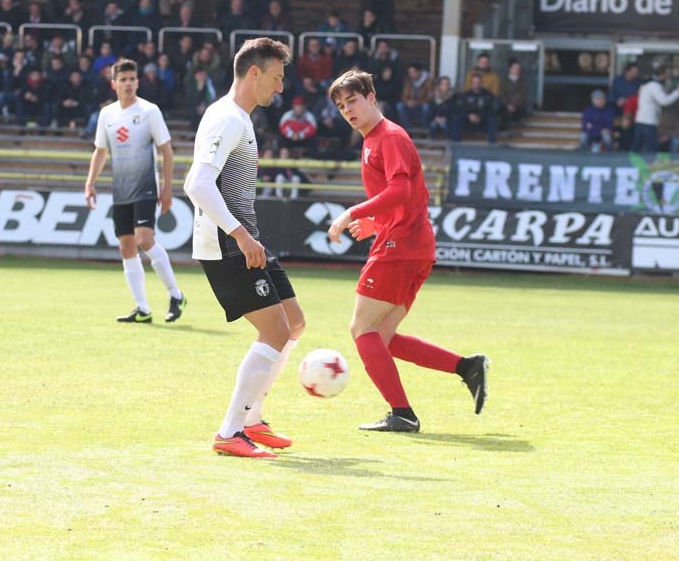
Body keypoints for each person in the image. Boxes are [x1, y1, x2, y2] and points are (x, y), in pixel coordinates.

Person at [325, 70, 488, 433]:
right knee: (382, 338)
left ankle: (402, 414)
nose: (347, 110)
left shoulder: (389, 137)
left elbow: (400, 191)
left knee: (361, 329)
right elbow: (404, 197)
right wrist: (376, 223)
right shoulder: (373, 140)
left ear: (372, 97)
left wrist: (354, 212)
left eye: (352, 101)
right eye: (340, 106)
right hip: (411, 245)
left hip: (400, 247)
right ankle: (467, 367)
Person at [183, 37, 305, 458]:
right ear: (254, 73)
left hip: (244, 240)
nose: (280, 88)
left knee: (293, 323)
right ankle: (230, 431)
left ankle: (252, 419)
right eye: (276, 78)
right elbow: (196, 184)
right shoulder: (228, 119)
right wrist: (240, 234)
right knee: (275, 331)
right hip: (227, 244)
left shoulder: (238, 118)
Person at [84, 59, 187, 325]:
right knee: (126, 246)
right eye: (124, 79)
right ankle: (142, 308)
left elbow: (166, 151)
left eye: (133, 78)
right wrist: (90, 182)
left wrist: (167, 188)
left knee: (144, 239)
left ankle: (176, 295)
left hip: (145, 187)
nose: (129, 83)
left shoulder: (150, 111)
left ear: (138, 82)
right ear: (114, 83)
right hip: (121, 189)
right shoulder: (107, 114)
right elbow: (100, 151)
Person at [634, 65, 679, 153]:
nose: (667, 79)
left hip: (640, 119)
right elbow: (664, 101)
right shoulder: (654, 85)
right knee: (651, 149)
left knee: (636, 147)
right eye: (667, 76)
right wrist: (678, 92)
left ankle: (629, 166)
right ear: (663, 75)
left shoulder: (646, 84)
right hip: (649, 121)